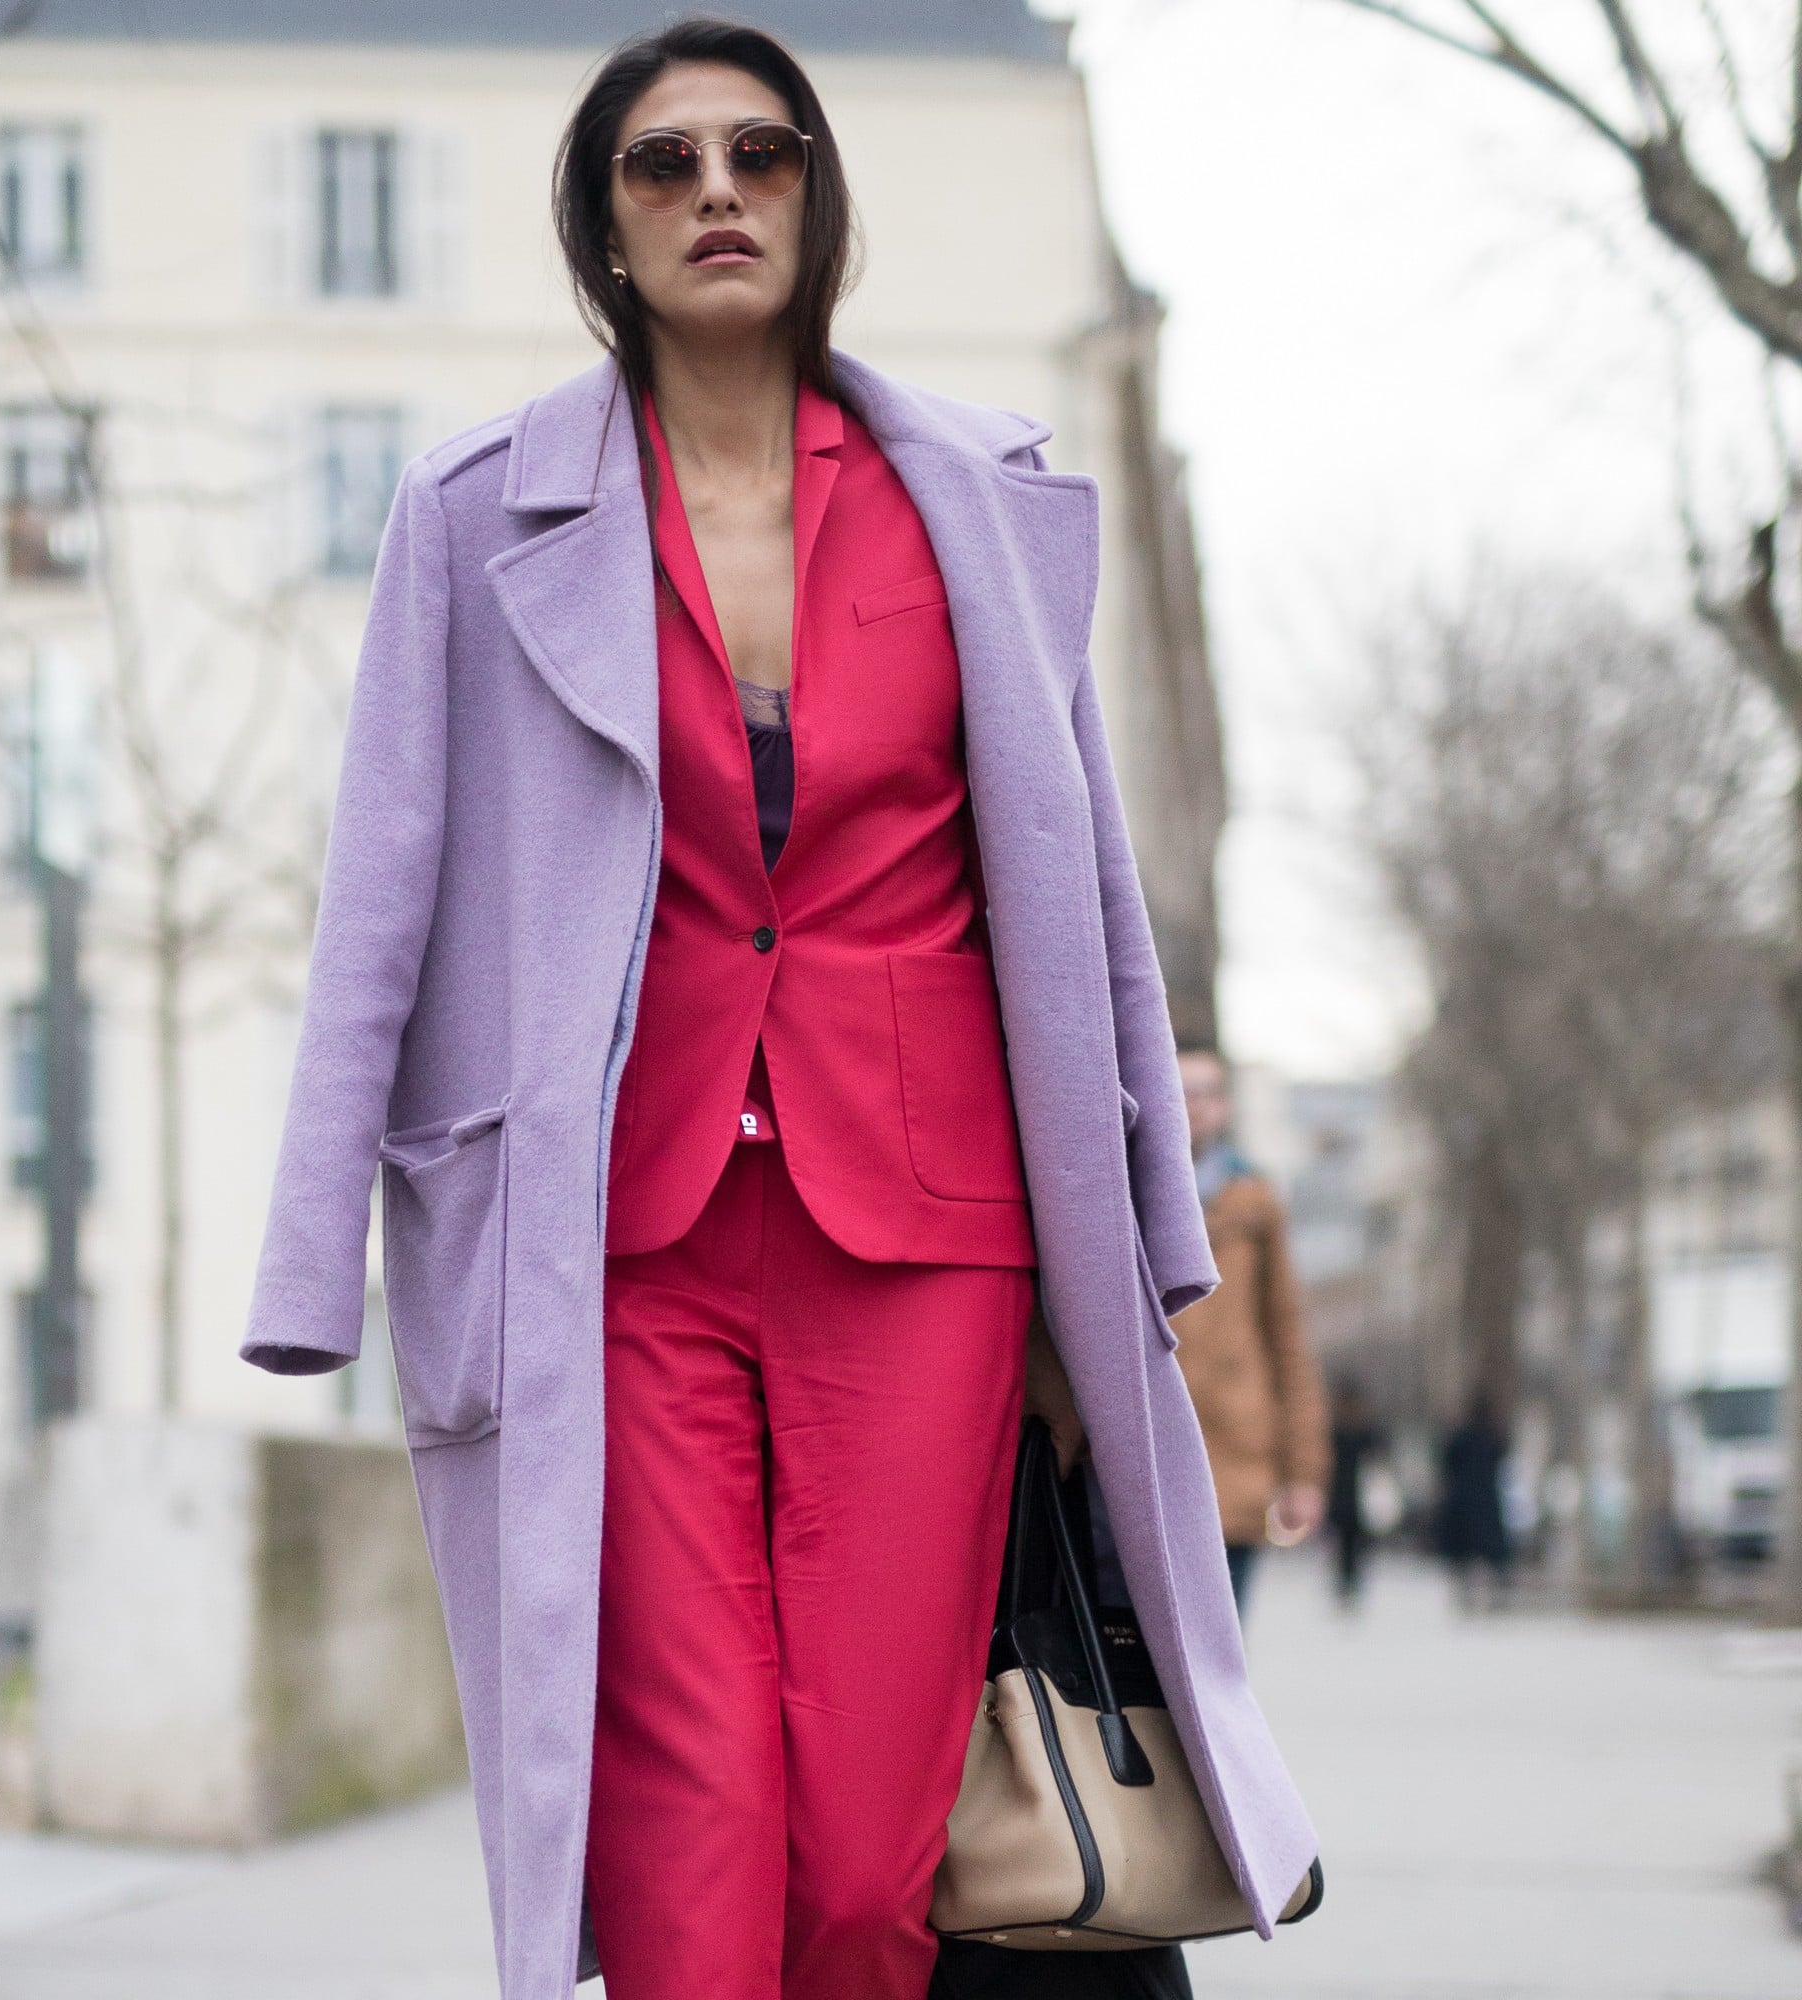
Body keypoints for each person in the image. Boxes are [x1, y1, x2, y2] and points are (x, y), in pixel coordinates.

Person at [241, 21, 1316, 2000]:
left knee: (862, 1855)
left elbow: (1081, 892)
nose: (717, 189)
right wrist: (314, 1252)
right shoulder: (473, 516)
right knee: (689, 1828)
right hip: (612, 1241)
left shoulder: (975, 500)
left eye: (763, 152)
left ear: (819, 198)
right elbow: (378, 889)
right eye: (663, 163)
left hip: (928, 1232)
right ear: (606, 224)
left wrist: (1142, 1242)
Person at [1167, 1044, 1329, 1613]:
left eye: (1209, 1092)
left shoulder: (1256, 1203)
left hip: (1236, 1457)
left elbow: (1288, 1341)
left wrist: (1303, 1473)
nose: (1196, 1107)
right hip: (1145, 1454)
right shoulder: (1124, 1192)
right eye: (1183, 1090)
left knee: (1222, 1649)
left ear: (1227, 1106)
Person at [1436, 1395, 1512, 1610]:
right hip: (1480, 1501)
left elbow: (1447, 1464)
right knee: (1481, 1549)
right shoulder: (1488, 1438)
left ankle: (1478, 1592)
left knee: (1474, 1551)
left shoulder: (1468, 1438)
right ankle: (1483, 1592)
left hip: (1469, 1501)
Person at [1326, 1377, 1386, 1607]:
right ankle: (1347, 1584)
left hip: (1356, 1499)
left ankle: (1350, 1584)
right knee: (1346, 1546)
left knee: (1353, 1546)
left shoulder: (1358, 1433)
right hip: (1347, 1499)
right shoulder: (1344, 1433)